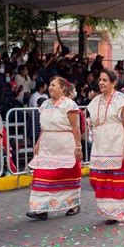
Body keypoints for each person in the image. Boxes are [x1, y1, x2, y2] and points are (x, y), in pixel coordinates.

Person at [26, 76, 82, 220]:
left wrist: (78, 147)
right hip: (47, 146)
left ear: (63, 88)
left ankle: (73, 204)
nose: (50, 87)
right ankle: (40, 208)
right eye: (49, 85)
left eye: (53, 85)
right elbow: (44, 127)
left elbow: (75, 128)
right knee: (41, 174)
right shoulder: (44, 104)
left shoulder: (70, 105)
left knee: (66, 174)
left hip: (65, 146)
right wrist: (38, 142)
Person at [87, 69, 124, 225]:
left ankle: (117, 212)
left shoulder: (122, 100)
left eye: (105, 80)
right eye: (100, 79)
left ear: (114, 83)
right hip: (101, 143)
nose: (101, 83)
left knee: (117, 179)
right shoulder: (95, 101)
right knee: (97, 178)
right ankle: (108, 209)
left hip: (117, 141)